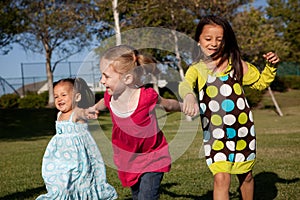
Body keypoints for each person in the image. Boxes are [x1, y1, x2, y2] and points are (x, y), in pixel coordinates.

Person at [178, 15, 280, 200]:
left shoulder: (237, 65)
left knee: (246, 176)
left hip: (243, 132)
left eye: (219, 39)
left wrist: (270, 67)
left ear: (227, 40)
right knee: (221, 178)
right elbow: (185, 84)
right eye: (208, 39)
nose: (214, 43)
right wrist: (189, 96)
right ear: (198, 41)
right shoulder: (197, 69)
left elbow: (260, 82)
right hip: (216, 134)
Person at [87, 45, 182, 200]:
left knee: (146, 197)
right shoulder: (110, 97)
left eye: (106, 76)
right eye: (101, 76)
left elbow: (168, 105)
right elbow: (103, 103)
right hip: (129, 160)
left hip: (153, 157)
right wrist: (94, 108)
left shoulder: (146, 97)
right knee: (137, 196)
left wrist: (184, 107)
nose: (102, 81)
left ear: (128, 78)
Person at [36, 78, 117, 200]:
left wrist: (91, 112)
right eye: (56, 96)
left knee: (77, 181)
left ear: (77, 97)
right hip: (59, 156)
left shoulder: (77, 112)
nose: (59, 99)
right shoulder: (59, 115)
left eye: (64, 95)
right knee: (59, 181)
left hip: (77, 157)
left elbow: (86, 112)